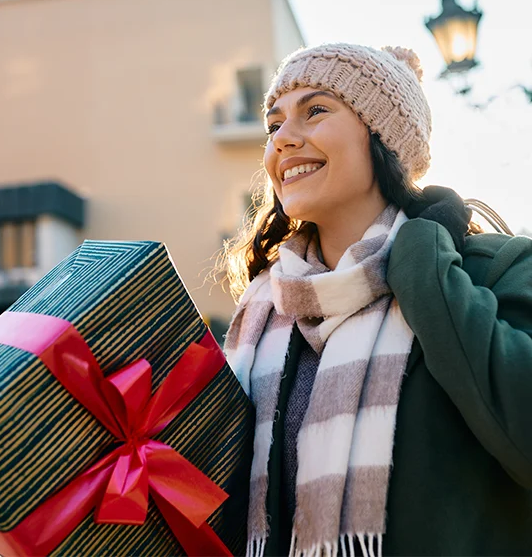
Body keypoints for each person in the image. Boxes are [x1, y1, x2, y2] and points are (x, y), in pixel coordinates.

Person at [222, 43, 532, 557]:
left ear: (383, 136)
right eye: (273, 125)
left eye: (316, 111)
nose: (283, 140)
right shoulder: (264, 312)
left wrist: (421, 266)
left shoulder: (496, 271)